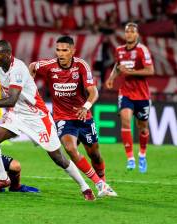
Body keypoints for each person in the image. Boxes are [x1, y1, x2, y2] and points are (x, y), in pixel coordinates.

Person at [0, 40, 99, 200]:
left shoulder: (19, 69)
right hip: (15, 114)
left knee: (58, 157)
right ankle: (2, 178)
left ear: (8, 55)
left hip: (36, 116)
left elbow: (11, 100)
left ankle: (84, 187)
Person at [29, 36, 117, 197]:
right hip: (63, 117)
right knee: (70, 148)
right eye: (58, 50)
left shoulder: (81, 66)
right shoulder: (49, 66)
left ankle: (103, 182)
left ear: (72, 51)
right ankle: (99, 184)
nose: (60, 54)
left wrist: (86, 107)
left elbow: (93, 92)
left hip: (83, 116)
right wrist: (30, 84)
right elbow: (33, 66)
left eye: (65, 50)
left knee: (95, 155)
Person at [105, 22, 154, 173]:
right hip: (125, 93)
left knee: (143, 127)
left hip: (142, 95)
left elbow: (150, 70)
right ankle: (130, 158)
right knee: (126, 121)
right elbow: (118, 66)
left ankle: (142, 155)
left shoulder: (142, 50)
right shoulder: (119, 50)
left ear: (137, 34)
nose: (129, 34)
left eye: (132, 32)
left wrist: (130, 72)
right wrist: (112, 77)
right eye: (127, 32)